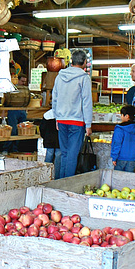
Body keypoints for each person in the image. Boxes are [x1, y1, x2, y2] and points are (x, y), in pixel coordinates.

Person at [51, 49, 93, 178]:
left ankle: (60, 182)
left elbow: (55, 98)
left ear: (71, 61)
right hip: (77, 121)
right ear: (85, 62)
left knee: (64, 153)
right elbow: (86, 101)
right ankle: (67, 184)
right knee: (72, 155)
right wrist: (88, 124)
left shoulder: (60, 76)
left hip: (62, 120)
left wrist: (57, 118)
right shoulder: (84, 78)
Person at [111, 104, 135, 172]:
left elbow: (117, 144)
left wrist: (114, 157)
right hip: (133, 159)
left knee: (118, 178)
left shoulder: (120, 129)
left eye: (121, 115)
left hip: (120, 158)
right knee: (129, 178)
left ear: (126, 116)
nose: (121, 117)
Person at [40, 109, 61, 179]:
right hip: (59, 140)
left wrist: (44, 137)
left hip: (49, 140)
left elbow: (42, 128)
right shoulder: (63, 114)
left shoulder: (47, 115)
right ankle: (57, 176)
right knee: (58, 156)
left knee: (49, 154)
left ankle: (45, 174)